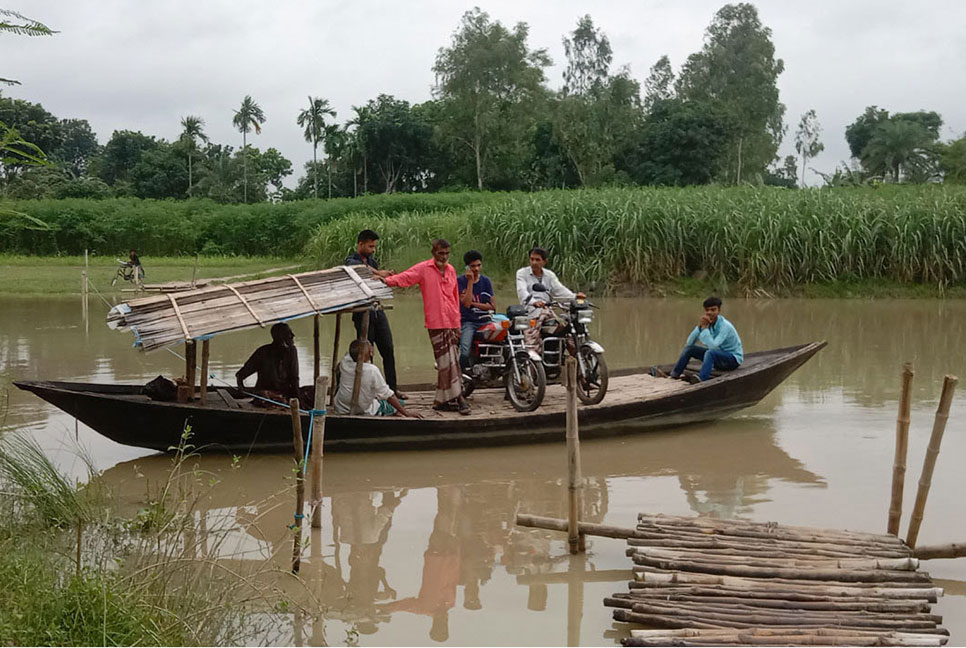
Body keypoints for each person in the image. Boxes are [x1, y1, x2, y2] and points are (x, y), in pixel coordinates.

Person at [379, 239, 470, 415]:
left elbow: (454, 298)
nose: (443, 257)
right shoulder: (424, 269)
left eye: (446, 254)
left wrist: (458, 322)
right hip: (436, 323)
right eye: (440, 253)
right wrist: (386, 280)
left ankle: (441, 401)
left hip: (452, 322)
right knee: (446, 363)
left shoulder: (450, 270)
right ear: (433, 252)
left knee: (452, 363)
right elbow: (405, 278)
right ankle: (460, 399)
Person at [344, 229, 403, 399]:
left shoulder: (372, 262)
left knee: (388, 350)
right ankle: (370, 391)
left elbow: (372, 275)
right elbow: (357, 270)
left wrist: (379, 273)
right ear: (360, 244)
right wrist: (380, 273)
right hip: (362, 313)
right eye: (370, 246)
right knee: (366, 353)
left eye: (374, 246)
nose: (372, 249)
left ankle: (392, 389)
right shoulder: (351, 260)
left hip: (377, 310)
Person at [514, 247, 584, 351]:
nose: (534, 262)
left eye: (537, 260)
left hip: (547, 309)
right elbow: (522, 292)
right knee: (532, 339)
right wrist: (534, 302)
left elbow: (560, 291)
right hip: (530, 311)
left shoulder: (549, 275)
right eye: (532, 259)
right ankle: (532, 354)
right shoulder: (522, 273)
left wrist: (575, 297)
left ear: (545, 261)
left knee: (567, 324)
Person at [333, 340, 420, 417]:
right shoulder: (372, 370)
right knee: (400, 403)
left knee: (374, 393)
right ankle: (391, 412)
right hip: (362, 410)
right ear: (369, 353)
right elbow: (389, 396)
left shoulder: (345, 362)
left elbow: (352, 352)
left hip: (341, 407)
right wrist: (406, 413)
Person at [668, 296, 743, 382]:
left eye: (713, 310)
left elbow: (713, 347)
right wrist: (699, 327)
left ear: (719, 310)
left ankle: (702, 379)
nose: (710, 313)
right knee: (689, 349)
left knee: (710, 352)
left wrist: (704, 329)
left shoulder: (725, 326)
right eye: (707, 310)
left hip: (732, 360)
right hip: (717, 358)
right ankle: (674, 375)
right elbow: (689, 342)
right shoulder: (707, 324)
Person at [236, 322, 299, 404]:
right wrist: (243, 391)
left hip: (284, 395)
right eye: (288, 333)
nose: (292, 335)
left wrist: (297, 399)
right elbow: (240, 375)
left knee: (312, 390)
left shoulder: (291, 351)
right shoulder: (263, 352)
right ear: (280, 337)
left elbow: (294, 378)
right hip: (267, 397)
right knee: (265, 394)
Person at [457, 250, 495, 370]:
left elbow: (493, 306)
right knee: (465, 351)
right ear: (467, 267)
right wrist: (470, 282)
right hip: (468, 321)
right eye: (473, 266)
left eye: (478, 265)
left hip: (486, 320)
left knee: (503, 341)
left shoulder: (486, 281)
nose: (476, 269)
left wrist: (474, 303)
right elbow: (467, 305)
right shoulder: (460, 281)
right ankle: (462, 374)